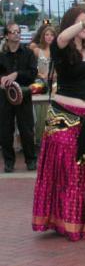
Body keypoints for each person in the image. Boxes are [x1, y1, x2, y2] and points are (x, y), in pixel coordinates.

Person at [32, 7, 85, 241]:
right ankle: (67, 221)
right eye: (82, 23)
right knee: (69, 173)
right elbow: (62, 37)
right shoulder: (61, 49)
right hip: (65, 118)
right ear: (72, 25)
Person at [0, 22, 37, 172]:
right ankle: (9, 162)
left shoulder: (27, 53)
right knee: (5, 130)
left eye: (18, 31)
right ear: (7, 35)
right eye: (13, 32)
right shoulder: (1, 56)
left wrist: (17, 74)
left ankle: (30, 160)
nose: (16, 34)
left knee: (26, 129)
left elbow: (32, 74)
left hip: (23, 96)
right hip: (4, 97)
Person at [33, 25, 57, 145]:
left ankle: (52, 138)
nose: (49, 37)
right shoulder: (37, 50)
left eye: (51, 35)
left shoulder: (58, 51)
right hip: (40, 83)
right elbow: (31, 68)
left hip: (55, 84)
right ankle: (39, 138)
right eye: (47, 34)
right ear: (43, 36)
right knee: (39, 111)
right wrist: (40, 75)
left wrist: (54, 76)